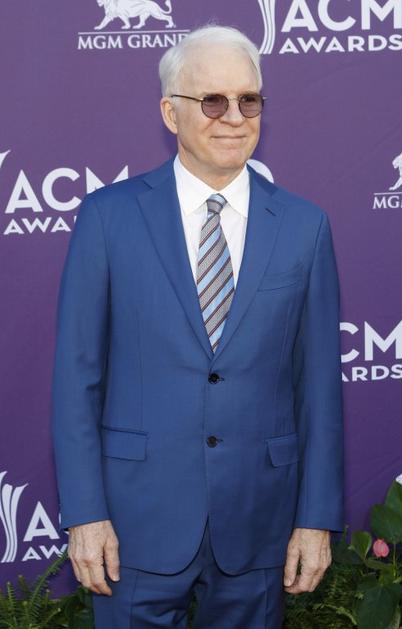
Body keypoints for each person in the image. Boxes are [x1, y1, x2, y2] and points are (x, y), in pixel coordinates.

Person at [51, 24, 344, 629]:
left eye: (248, 100)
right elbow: (77, 380)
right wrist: (84, 514)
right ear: (171, 112)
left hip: (258, 524)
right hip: (133, 525)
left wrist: (315, 519)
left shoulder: (304, 226)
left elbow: (318, 387)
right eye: (212, 100)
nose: (233, 117)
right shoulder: (107, 218)